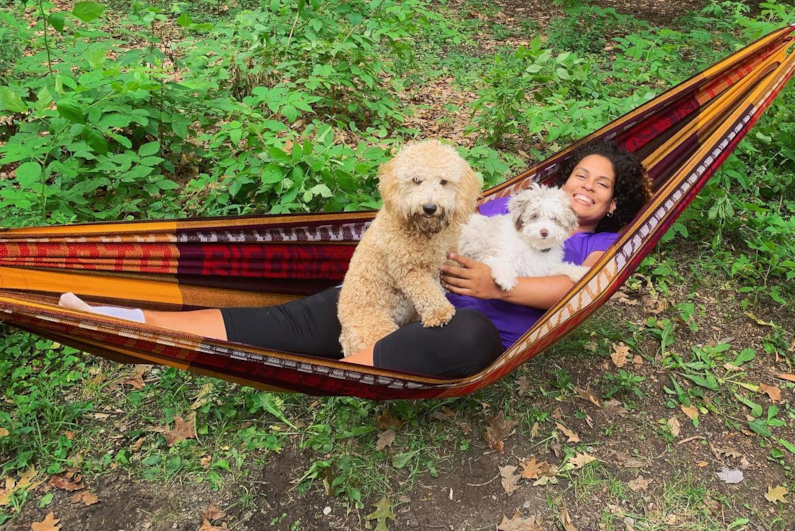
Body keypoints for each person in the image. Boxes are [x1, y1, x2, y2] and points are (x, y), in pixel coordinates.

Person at [59, 141, 650, 378]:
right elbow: (436, 210)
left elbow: (579, 289)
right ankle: (124, 320)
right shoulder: (512, 206)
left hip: (466, 325)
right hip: (401, 294)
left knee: (460, 332)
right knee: (309, 314)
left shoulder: (600, 245)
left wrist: (499, 290)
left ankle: (339, 375)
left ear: (613, 201)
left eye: (601, 185)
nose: (587, 186)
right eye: (581, 174)